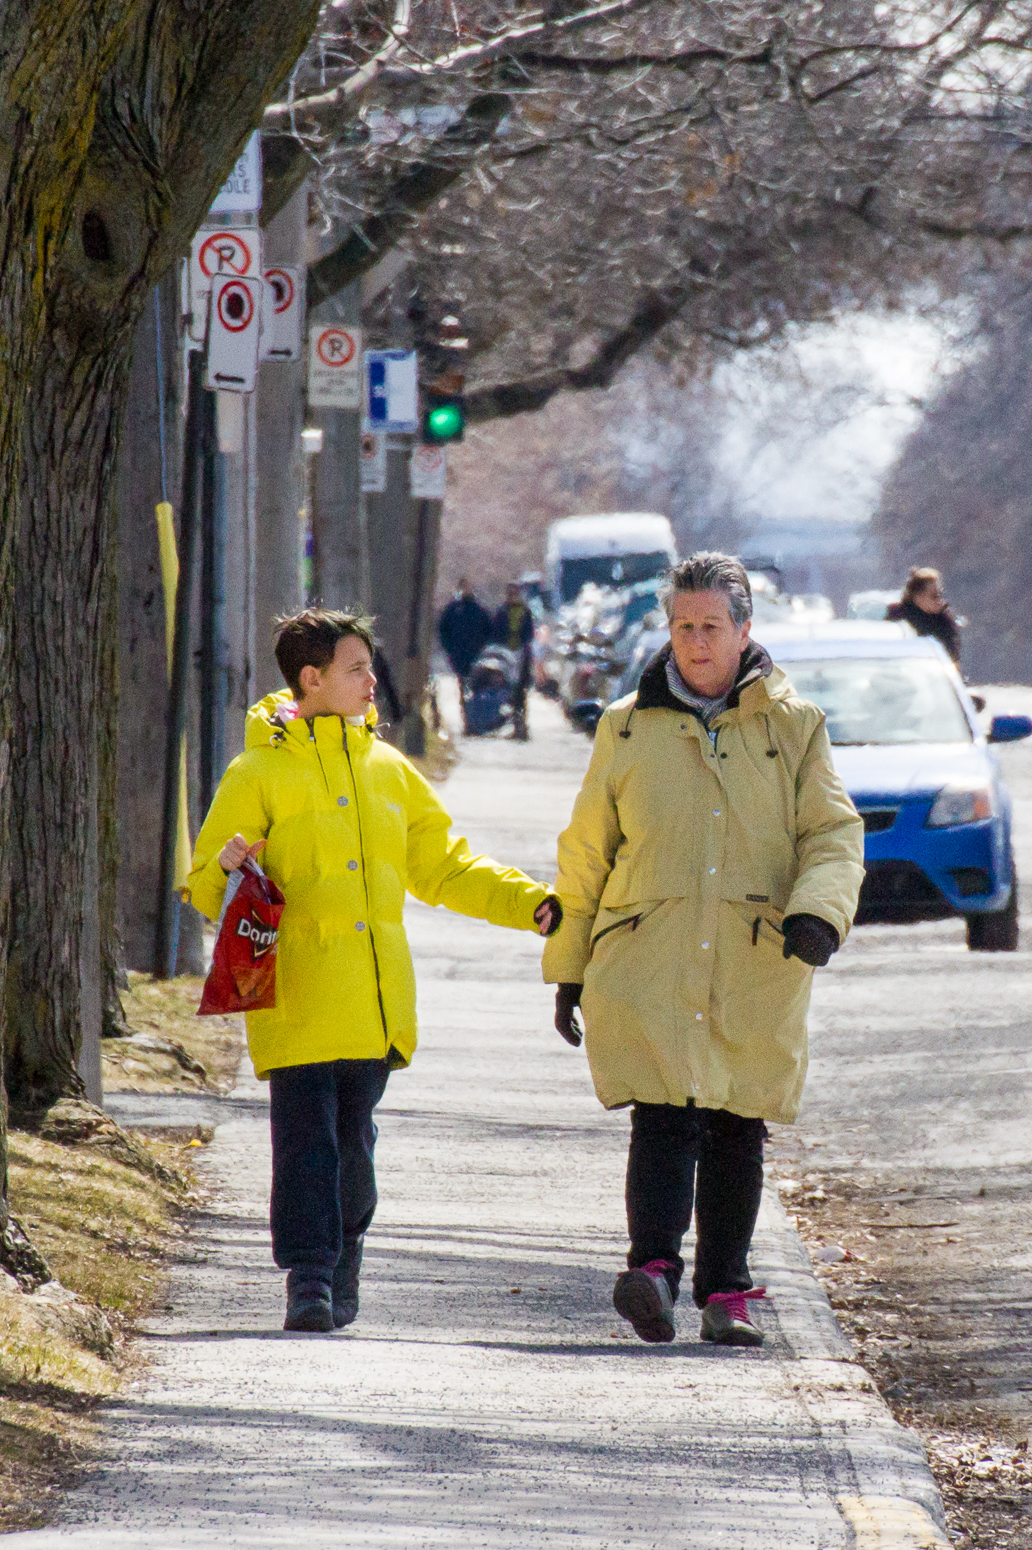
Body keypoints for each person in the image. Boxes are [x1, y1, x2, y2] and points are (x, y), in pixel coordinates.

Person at [184, 610, 561, 1333]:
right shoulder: (258, 771)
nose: (371, 682)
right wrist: (226, 868)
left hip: (376, 998)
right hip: (293, 994)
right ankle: (309, 1278)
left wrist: (531, 904)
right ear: (312, 678)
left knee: (353, 1144)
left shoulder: (388, 769)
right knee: (305, 1144)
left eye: (369, 667)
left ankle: (345, 1249)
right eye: (357, 668)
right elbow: (205, 881)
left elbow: (446, 866)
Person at [544, 553, 864, 1349]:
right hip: (647, 952)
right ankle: (651, 1271)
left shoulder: (794, 726)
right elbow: (588, 852)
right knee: (661, 1113)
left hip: (757, 957)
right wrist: (569, 967)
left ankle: (728, 1288)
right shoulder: (625, 724)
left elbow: (832, 835)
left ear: (744, 629)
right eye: (682, 626)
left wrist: (819, 914)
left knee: (733, 1123)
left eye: (710, 627)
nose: (694, 642)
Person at [885, 567, 961, 663]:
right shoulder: (897, 617)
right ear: (918, 596)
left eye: (941, 595)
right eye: (935, 596)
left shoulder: (944, 621)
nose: (939, 600)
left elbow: (952, 659)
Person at [495, 582, 537, 740]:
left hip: (521, 654)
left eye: (515, 594)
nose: (513, 597)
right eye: (510, 594)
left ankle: (521, 724)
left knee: (520, 692)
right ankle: (510, 723)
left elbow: (529, 632)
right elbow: (497, 632)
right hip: (505, 653)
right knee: (508, 691)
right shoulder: (502, 612)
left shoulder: (525, 612)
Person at [437, 579, 493, 689]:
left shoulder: (478, 610)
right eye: (463, 587)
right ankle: (462, 694)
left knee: (472, 676)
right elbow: (443, 628)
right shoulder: (452, 609)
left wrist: (482, 645)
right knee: (460, 676)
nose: (465, 590)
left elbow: (487, 629)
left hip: (473, 650)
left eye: (468, 587)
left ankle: (470, 696)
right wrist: (447, 646)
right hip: (456, 650)